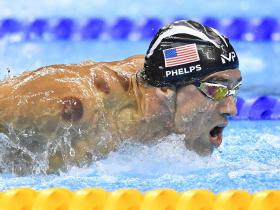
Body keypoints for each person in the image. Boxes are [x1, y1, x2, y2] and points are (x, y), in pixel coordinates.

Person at [0, 20, 241, 174]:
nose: (232, 109)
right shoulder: (72, 106)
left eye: (233, 89)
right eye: (215, 89)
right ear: (166, 89)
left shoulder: (161, 104)